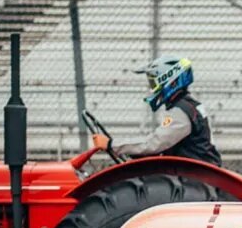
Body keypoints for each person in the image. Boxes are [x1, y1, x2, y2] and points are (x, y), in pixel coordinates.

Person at [91, 56, 222, 165]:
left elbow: (155, 143)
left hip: (194, 174)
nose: (152, 88)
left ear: (172, 82)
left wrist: (112, 144)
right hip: (195, 169)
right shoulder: (189, 106)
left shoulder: (181, 111)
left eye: (153, 83)